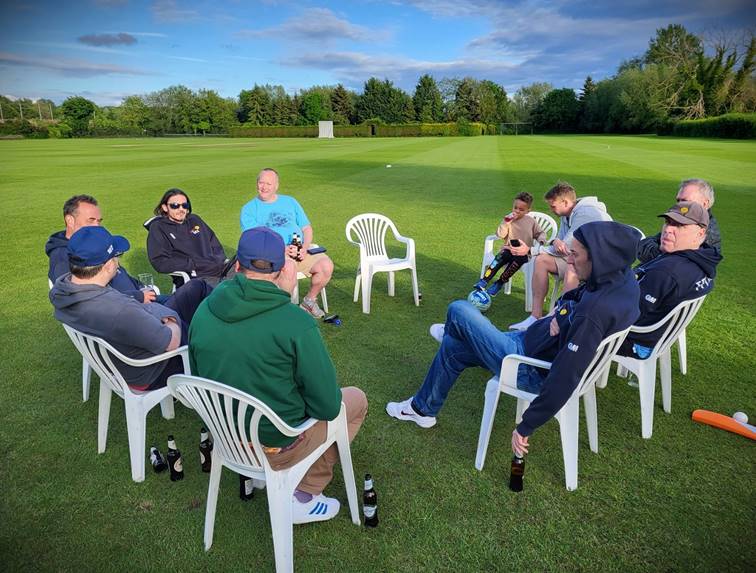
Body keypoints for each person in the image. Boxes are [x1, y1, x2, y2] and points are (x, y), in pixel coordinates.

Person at [387, 221, 640, 458]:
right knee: (453, 349)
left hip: (525, 366)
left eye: (576, 255)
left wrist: (526, 426)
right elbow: (572, 298)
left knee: (459, 310)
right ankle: (422, 410)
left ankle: (453, 333)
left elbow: (566, 376)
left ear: (601, 258)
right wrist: (562, 317)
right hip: (530, 343)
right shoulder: (621, 281)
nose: (570, 262)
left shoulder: (593, 314)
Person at [189, 226, 367, 524]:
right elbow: (327, 406)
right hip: (277, 444)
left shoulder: (204, 309)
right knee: (355, 401)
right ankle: (305, 493)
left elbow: (197, 377)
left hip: (228, 437)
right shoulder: (295, 322)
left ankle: (277, 478)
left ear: (236, 266)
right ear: (285, 267)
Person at [50, 226, 212, 391]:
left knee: (195, 288)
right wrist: (170, 319)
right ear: (107, 266)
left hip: (125, 358)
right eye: (116, 256)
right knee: (195, 302)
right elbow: (172, 342)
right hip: (154, 369)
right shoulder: (118, 309)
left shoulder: (63, 290)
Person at [621, 202, 722, 358]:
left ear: (701, 234)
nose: (668, 229)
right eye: (668, 222)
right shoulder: (703, 259)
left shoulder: (666, 272)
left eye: (680, 225)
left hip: (635, 340)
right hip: (658, 338)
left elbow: (627, 314)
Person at [510, 182, 612, 331]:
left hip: (600, 265)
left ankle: (560, 317)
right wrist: (555, 241)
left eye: (553, 206)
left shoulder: (586, 213)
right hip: (581, 257)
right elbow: (560, 243)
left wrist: (530, 250)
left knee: (572, 268)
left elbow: (567, 247)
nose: (551, 210)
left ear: (565, 202)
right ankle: (534, 317)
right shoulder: (568, 213)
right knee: (541, 261)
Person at [240, 168, 333, 319]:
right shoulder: (249, 209)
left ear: (276, 185)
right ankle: (285, 310)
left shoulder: (290, 201)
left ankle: (309, 302)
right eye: (261, 183)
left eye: (268, 184)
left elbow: (306, 228)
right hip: (272, 255)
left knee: (326, 265)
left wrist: (304, 247)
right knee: (288, 268)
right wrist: (282, 249)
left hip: (300, 250)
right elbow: (255, 240)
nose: (264, 187)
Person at [46, 195, 159, 303]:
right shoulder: (63, 256)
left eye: (99, 221)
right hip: (126, 312)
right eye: (91, 220)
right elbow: (81, 298)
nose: (97, 226)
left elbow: (120, 274)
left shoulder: (92, 244)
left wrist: (141, 287)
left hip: (140, 299)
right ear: (70, 220)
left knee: (176, 299)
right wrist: (137, 297)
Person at [146, 188, 231, 287]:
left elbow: (214, 243)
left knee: (248, 274)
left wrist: (219, 259)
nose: (181, 209)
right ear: (165, 207)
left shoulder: (195, 220)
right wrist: (192, 265)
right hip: (198, 277)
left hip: (220, 268)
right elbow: (160, 262)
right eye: (175, 206)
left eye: (185, 205)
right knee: (230, 290)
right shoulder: (158, 228)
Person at [474, 191, 547, 298]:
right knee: (499, 258)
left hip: (524, 254)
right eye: (515, 207)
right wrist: (506, 222)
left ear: (528, 211)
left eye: (521, 209)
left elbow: (541, 233)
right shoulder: (508, 220)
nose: (517, 211)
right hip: (508, 249)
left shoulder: (531, 221)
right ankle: (484, 281)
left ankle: (499, 283)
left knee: (515, 264)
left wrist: (541, 241)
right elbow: (500, 234)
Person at [637, 178, 721, 264]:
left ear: (704, 204)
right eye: (678, 200)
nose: (679, 205)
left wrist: (652, 249)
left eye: (685, 201)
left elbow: (671, 261)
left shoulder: (703, 231)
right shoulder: (687, 220)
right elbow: (646, 245)